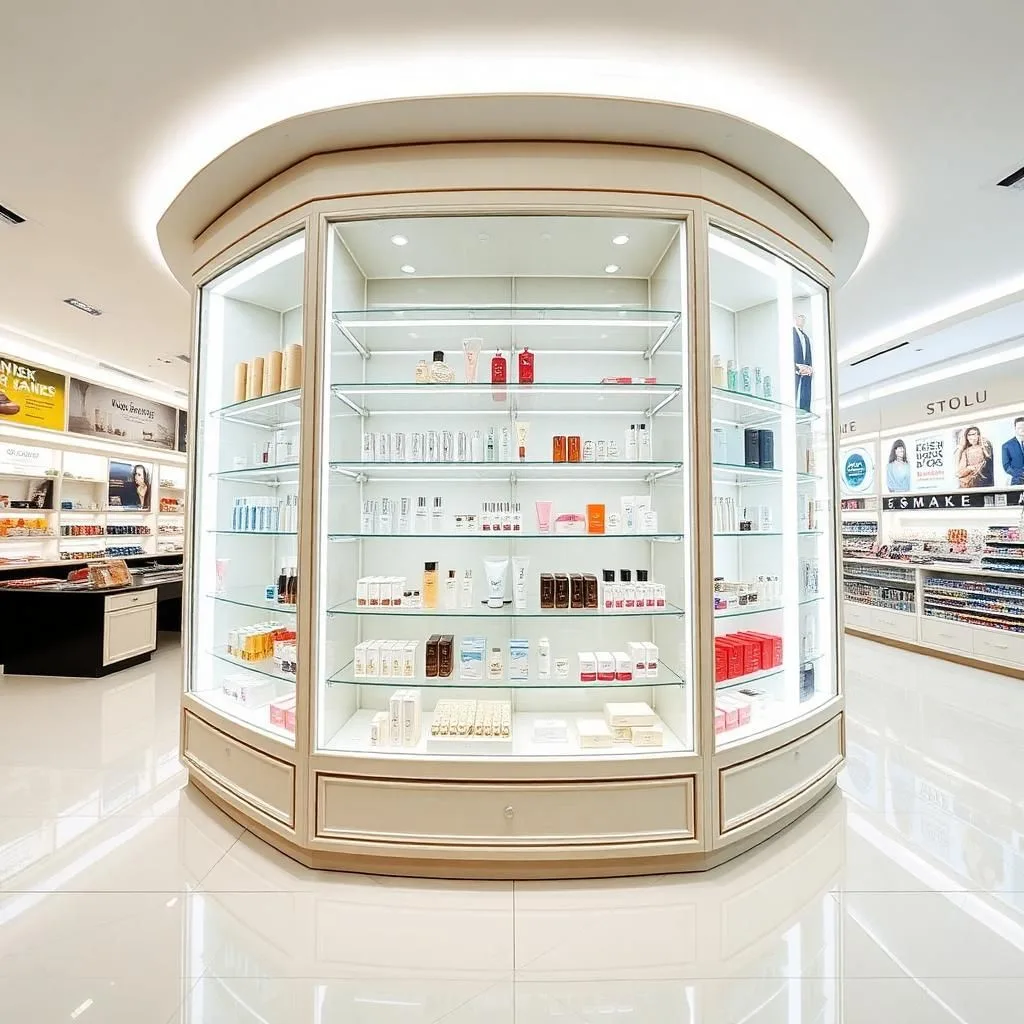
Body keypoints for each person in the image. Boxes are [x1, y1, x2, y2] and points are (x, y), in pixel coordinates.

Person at [793, 314, 813, 412]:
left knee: (805, 391)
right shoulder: (791, 333)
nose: (802, 322)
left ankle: (805, 410)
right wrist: (796, 366)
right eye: (800, 319)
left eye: (803, 320)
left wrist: (809, 367)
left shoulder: (806, 337)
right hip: (796, 369)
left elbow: (808, 354)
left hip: (805, 370)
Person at [1001, 417, 1024, 485]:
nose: (1022, 429)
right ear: (1015, 428)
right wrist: (1021, 474)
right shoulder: (1006, 446)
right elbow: (1006, 466)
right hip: (1017, 482)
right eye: (1020, 427)